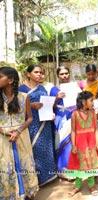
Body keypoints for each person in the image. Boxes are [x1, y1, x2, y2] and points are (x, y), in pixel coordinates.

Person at [0, 66, 39, 199]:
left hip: (21, 137)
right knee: (6, 165)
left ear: (10, 80)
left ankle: (26, 194)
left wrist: (18, 130)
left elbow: (29, 118)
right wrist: (3, 131)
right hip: (3, 138)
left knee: (24, 163)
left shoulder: (24, 97)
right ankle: (10, 195)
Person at [19, 64, 57, 186]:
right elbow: (17, 108)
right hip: (30, 123)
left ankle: (48, 176)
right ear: (28, 74)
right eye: (36, 72)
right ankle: (36, 179)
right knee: (34, 149)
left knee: (46, 149)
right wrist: (31, 105)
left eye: (41, 72)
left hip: (45, 123)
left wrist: (51, 114)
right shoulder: (22, 89)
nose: (40, 74)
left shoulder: (42, 88)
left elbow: (47, 104)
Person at [67, 91, 98, 197]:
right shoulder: (75, 114)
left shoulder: (92, 113)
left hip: (91, 142)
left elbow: (96, 129)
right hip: (80, 143)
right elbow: (73, 131)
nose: (93, 102)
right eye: (91, 100)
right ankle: (77, 185)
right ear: (83, 102)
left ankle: (91, 184)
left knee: (91, 162)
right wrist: (73, 145)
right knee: (80, 163)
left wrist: (97, 142)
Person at [53, 66, 80, 180]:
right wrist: (56, 97)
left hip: (73, 116)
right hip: (60, 119)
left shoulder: (75, 87)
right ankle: (62, 170)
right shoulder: (54, 89)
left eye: (66, 73)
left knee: (72, 143)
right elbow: (49, 106)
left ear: (69, 74)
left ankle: (74, 169)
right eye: (61, 74)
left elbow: (81, 102)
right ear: (58, 76)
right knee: (61, 144)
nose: (64, 76)